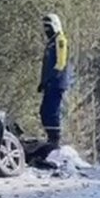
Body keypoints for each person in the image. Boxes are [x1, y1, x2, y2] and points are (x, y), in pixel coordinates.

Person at [37, 13, 72, 149]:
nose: (46, 30)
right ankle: (50, 138)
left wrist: (51, 79)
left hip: (56, 83)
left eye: (48, 26)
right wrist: (43, 81)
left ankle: (55, 140)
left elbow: (60, 62)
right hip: (49, 83)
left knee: (52, 111)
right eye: (44, 27)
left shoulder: (60, 40)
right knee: (44, 111)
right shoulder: (50, 42)